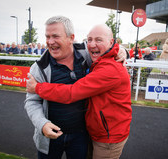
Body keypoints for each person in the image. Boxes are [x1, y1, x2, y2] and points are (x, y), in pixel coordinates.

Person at [25, 16, 127, 159]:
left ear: (71, 38)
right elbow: (32, 101)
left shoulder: (86, 53)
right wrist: (42, 124)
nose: (50, 41)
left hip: (82, 136)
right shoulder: (39, 67)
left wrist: (121, 51)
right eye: (47, 36)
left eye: (55, 36)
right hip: (50, 138)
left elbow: (105, 49)